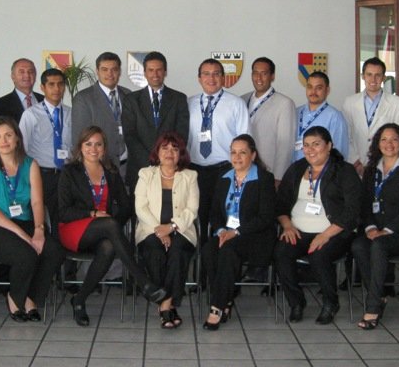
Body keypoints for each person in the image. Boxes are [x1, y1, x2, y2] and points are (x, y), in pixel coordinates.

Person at [58, 126, 166, 326]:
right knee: (108, 225)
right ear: (80, 147)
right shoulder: (70, 172)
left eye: (98, 144)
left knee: (108, 246)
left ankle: (79, 300)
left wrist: (113, 228)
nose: (93, 149)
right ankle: (143, 281)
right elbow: (63, 211)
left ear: (104, 148)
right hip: (73, 230)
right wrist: (92, 214)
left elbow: (125, 206)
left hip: (103, 231)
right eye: (88, 144)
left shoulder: (111, 172)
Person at [0, 116, 64, 321]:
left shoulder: (31, 164)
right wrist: (22, 234)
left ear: (17, 139)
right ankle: (14, 299)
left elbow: (37, 203)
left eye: (8, 135)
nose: (3, 141)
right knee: (26, 254)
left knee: (54, 251)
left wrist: (39, 231)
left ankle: (31, 298)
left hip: (24, 221)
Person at [274, 126, 361, 324]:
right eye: (306, 145)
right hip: (298, 230)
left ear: (329, 146)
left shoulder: (344, 171)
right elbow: (280, 204)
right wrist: (287, 225)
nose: (310, 150)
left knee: (319, 254)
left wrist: (325, 235)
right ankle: (296, 302)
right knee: (281, 252)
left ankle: (331, 302)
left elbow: (352, 210)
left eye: (316, 144)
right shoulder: (296, 169)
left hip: (334, 232)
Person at [350, 124, 399, 329]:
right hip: (376, 231)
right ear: (377, 144)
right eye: (384, 139)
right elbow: (365, 204)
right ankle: (379, 296)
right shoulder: (371, 170)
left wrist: (386, 230)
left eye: (394, 139)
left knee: (379, 245)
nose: (389, 144)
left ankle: (372, 307)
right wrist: (370, 227)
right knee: (358, 245)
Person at [202, 134, 276, 330]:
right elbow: (214, 212)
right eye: (233, 152)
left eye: (242, 152)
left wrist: (235, 233)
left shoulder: (264, 179)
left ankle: (217, 307)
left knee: (228, 251)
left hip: (254, 237)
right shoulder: (224, 177)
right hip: (226, 235)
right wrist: (220, 231)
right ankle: (226, 300)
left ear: (253, 155)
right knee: (209, 250)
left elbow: (265, 217)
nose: (237, 157)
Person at [134, 132, 198, 329]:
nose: (169, 152)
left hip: (182, 229)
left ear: (181, 154)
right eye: (165, 148)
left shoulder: (190, 176)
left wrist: (171, 228)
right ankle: (169, 305)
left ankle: (165, 303)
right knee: (155, 251)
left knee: (177, 252)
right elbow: (140, 207)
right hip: (150, 229)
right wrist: (159, 231)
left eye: (174, 149)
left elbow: (192, 209)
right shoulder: (146, 174)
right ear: (157, 152)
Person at [187, 58, 249, 245]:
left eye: (216, 74)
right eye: (206, 74)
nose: (211, 78)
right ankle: (201, 258)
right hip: (195, 170)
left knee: (222, 216)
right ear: (199, 78)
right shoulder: (189, 103)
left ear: (223, 77)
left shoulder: (236, 104)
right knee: (198, 216)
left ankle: (219, 254)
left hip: (225, 170)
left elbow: (245, 139)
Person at [122, 51, 190, 192]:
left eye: (159, 70)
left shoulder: (179, 98)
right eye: (151, 70)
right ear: (145, 72)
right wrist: (152, 161)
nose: (155, 74)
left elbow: (181, 134)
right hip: (140, 169)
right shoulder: (131, 100)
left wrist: (165, 160)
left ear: (165, 72)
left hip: (171, 169)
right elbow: (130, 135)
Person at [19, 67, 72, 230]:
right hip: (42, 174)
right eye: (51, 84)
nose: (57, 89)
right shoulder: (31, 114)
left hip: (65, 174)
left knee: (62, 218)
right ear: (42, 87)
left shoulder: (71, 113)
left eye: (60, 84)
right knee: (41, 218)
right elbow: (21, 149)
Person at [342, 57, 399, 177]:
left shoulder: (397, 103)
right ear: (363, 76)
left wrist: (382, 163)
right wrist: (356, 162)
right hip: (355, 165)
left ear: (384, 78)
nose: (373, 79)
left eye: (378, 75)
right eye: (369, 74)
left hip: (385, 164)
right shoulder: (349, 102)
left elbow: (397, 137)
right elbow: (346, 136)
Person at [71, 51, 131, 174]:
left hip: (128, 167)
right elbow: (79, 138)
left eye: (114, 69)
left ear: (119, 72)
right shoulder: (83, 98)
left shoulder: (128, 95)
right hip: (99, 168)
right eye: (104, 69)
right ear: (97, 71)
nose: (110, 74)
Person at [241, 56, 295, 187]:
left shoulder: (284, 103)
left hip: (268, 171)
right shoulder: (242, 100)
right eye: (255, 73)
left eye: (264, 73)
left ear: (272, 76)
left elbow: (285, 143)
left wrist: (278, 177)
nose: (259, 78)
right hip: (242, 169)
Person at [293, 71, 349, 162]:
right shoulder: (295, 112)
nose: (313, 92)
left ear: (327, 90)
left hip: (321, 169)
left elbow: (339, 151)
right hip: (294, 167)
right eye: (310, 87)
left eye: (318, 88)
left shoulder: (335, 117)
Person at [0, 58, 44, 122]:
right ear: (13, 76)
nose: (27, 75)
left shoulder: (45, 101)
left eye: (30, 72)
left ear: (35, 75)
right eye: (22, 72)